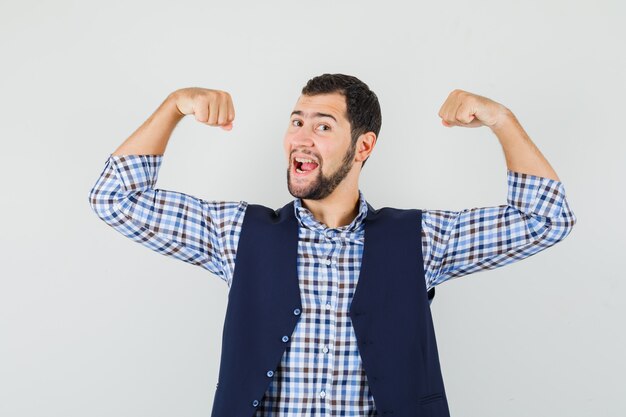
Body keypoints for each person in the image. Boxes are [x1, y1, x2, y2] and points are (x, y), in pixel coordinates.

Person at [88, 73, 576, 417]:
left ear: (363, 147)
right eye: (297, 121)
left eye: (323, 126)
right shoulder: (237, 233)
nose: (302, 137)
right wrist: (174, 106)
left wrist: (501, 119)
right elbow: (114, 198)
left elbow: (546, 218)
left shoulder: (421, 239)